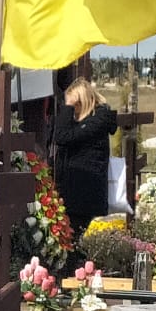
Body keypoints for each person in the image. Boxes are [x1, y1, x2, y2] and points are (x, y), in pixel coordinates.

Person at [49, 75, 117, 239]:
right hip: (73, 192)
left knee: (74, 237)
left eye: (74, 105)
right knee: (71, 239)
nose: (72, 110)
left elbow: (63, 137)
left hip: (83, 195)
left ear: (82, 101)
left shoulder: (98, 120)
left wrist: (67, 107)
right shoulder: (83, 123)